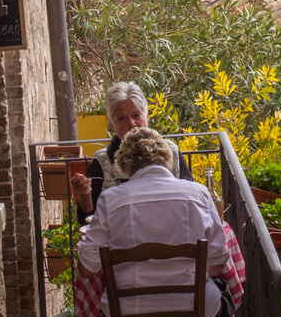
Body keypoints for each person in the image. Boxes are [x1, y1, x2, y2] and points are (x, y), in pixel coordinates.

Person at [77, 126, 230, 317]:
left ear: (124, 164)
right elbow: (219, 257)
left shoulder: (111, 200)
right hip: (194, 315)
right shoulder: (197, 192)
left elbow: (88, 266)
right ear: (166, 158)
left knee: (140, 309)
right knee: (220, 293)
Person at [72, 81, 193, 225]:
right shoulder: (102, 160)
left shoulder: (171, 151)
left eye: (136, 115)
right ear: (112, 125)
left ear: (147, 117)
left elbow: (190, 201)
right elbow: (88, 220)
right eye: (121, 119)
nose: (131, 123)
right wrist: (85, 194)